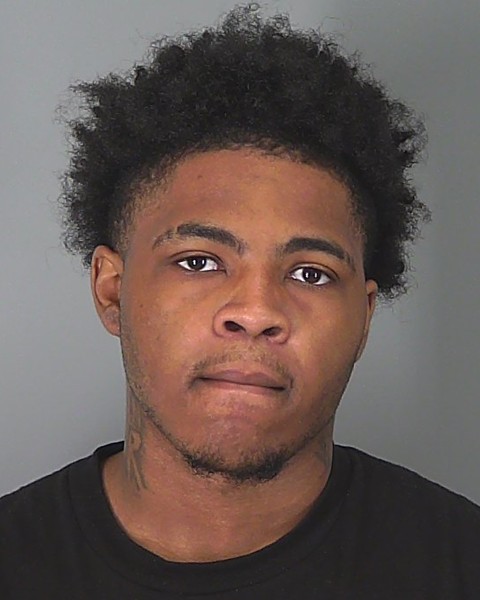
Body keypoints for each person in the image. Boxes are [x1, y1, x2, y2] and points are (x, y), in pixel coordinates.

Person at [1, 5, 479, 599]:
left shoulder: (461, 563)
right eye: (199, 262)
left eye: (310, 273)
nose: (255, 313)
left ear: (364, 319)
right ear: (112, 289)